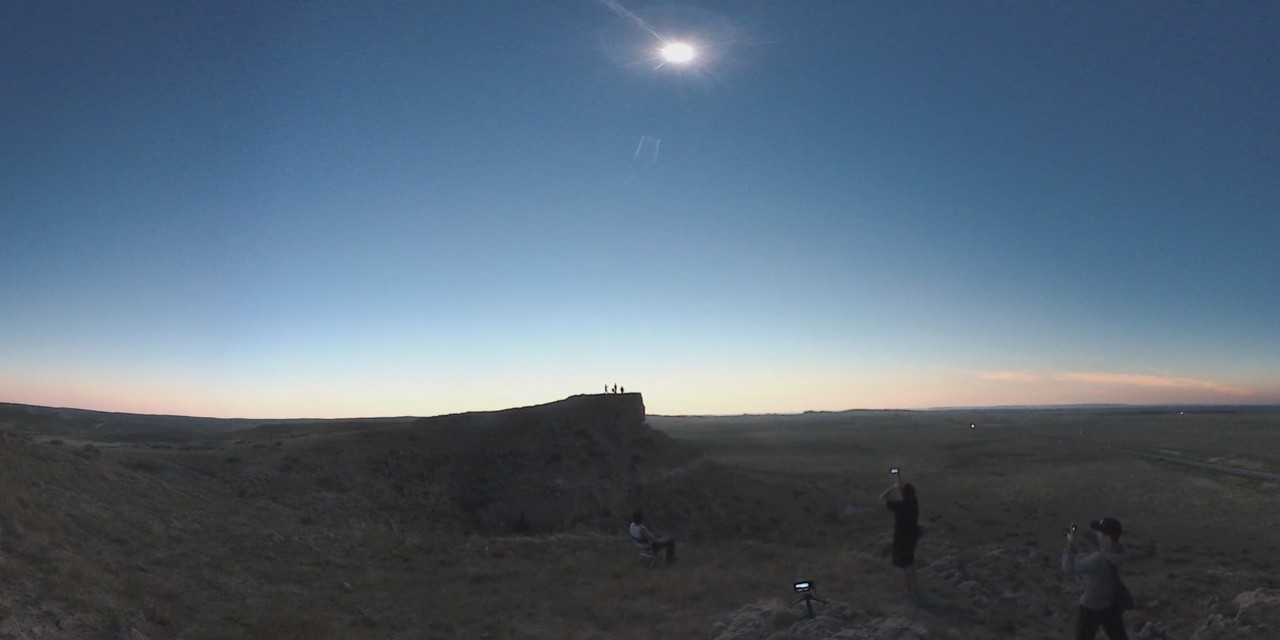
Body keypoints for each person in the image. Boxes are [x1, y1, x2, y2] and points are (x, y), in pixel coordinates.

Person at [1063, 517, 1129, 639]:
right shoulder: (1119, 551)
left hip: (1091, 607)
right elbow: (1105, 545)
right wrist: (1084, 533)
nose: (1097, 533)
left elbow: (1068, 568)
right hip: (1111, 604)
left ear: (1107, 537)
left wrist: (1070, 545)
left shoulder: (1098, 560)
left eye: (1099, 532)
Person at [879, 474, 920, 596]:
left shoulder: (898, 506)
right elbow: (905, 498)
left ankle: (909, 590)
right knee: (911, 561)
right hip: (912, 536)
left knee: (905, 564)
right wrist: (901, 487)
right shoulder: (914, 503)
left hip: (901, 537)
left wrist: (893, 487)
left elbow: (882, 498)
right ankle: (915, 587)